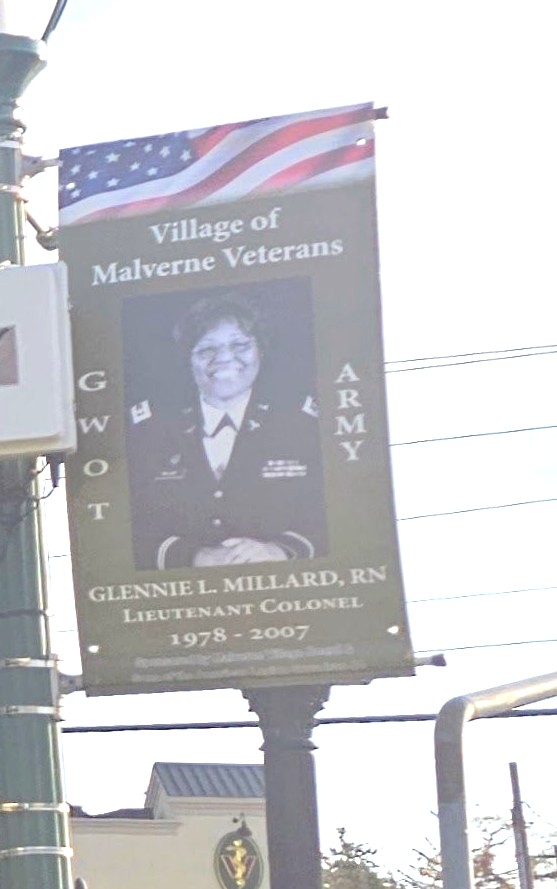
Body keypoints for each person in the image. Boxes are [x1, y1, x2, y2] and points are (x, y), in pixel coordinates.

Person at [127, 292, 328, 569]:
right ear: (188, 359)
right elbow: (131, 524)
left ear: (260, 351)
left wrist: (280, 550)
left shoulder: (301, 423)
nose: (224, 358)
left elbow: (335, 513)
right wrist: (193, 557)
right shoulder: (149, 429)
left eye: (240, 345)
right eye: (207, 349)